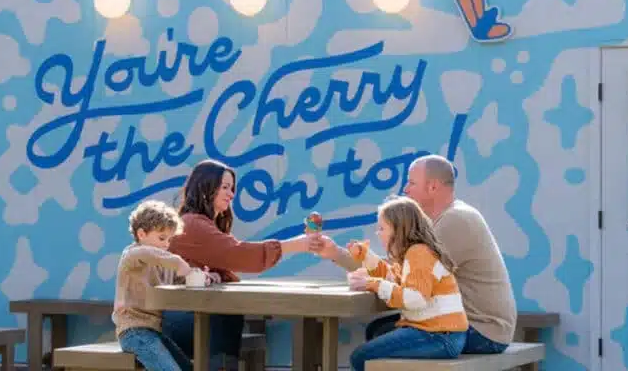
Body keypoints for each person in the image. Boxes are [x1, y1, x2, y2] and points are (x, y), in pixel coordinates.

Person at [318, 154, 516, 355]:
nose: (405, 189)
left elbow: (402, 276)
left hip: (483, 331)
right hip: (467, 323)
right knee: (379, 331)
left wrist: (350, 263)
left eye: (411, 182)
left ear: (432, 187)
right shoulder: (442, 219)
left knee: (378, 338)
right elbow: (397, 272)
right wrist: (336, 253)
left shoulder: (455, 221)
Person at [164, 159, 320, 370]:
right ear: (206, 187)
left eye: (232, 188)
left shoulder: (200, 223)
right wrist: (296, 245)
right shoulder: (192, 225)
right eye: (225, 187)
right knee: (222, 319)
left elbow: (229, 259)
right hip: (174, 321)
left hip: (184, 316)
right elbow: (239, 254)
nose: (231, 194)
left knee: (226, 317)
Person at [345, 196, 468, 370]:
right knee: (377, 330)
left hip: (440, 336)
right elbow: (392, 278)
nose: (377, 233)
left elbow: (415, 299)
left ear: (399, 229)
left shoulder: (418, 253)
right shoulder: (412, 253)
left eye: (382, 228)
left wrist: (372, 283)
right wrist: (366, 256)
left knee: (360, 357)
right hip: (438, 332)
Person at [113, 200, 197, 371]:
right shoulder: (132, 255)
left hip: (155, 331)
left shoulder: (164, 264)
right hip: (134, 331)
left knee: (187, 367)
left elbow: (183, 277)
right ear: (141, 234)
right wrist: (177, 261)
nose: (166, 244)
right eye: (161, 238)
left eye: (169, 239)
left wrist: (204, 276)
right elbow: (150, 254)